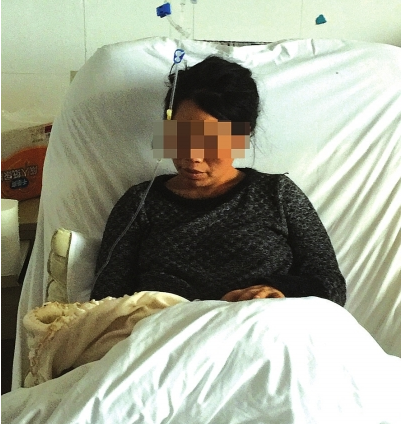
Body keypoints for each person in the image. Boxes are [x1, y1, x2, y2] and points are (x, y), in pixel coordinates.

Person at [90, 56, 346, 306]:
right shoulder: (140, 204)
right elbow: (104, 302)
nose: (193, 155)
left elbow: (330, 284)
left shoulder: (277, 195)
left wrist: (277, 290)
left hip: (261, 326)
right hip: (168, 329)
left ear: (242, 136)